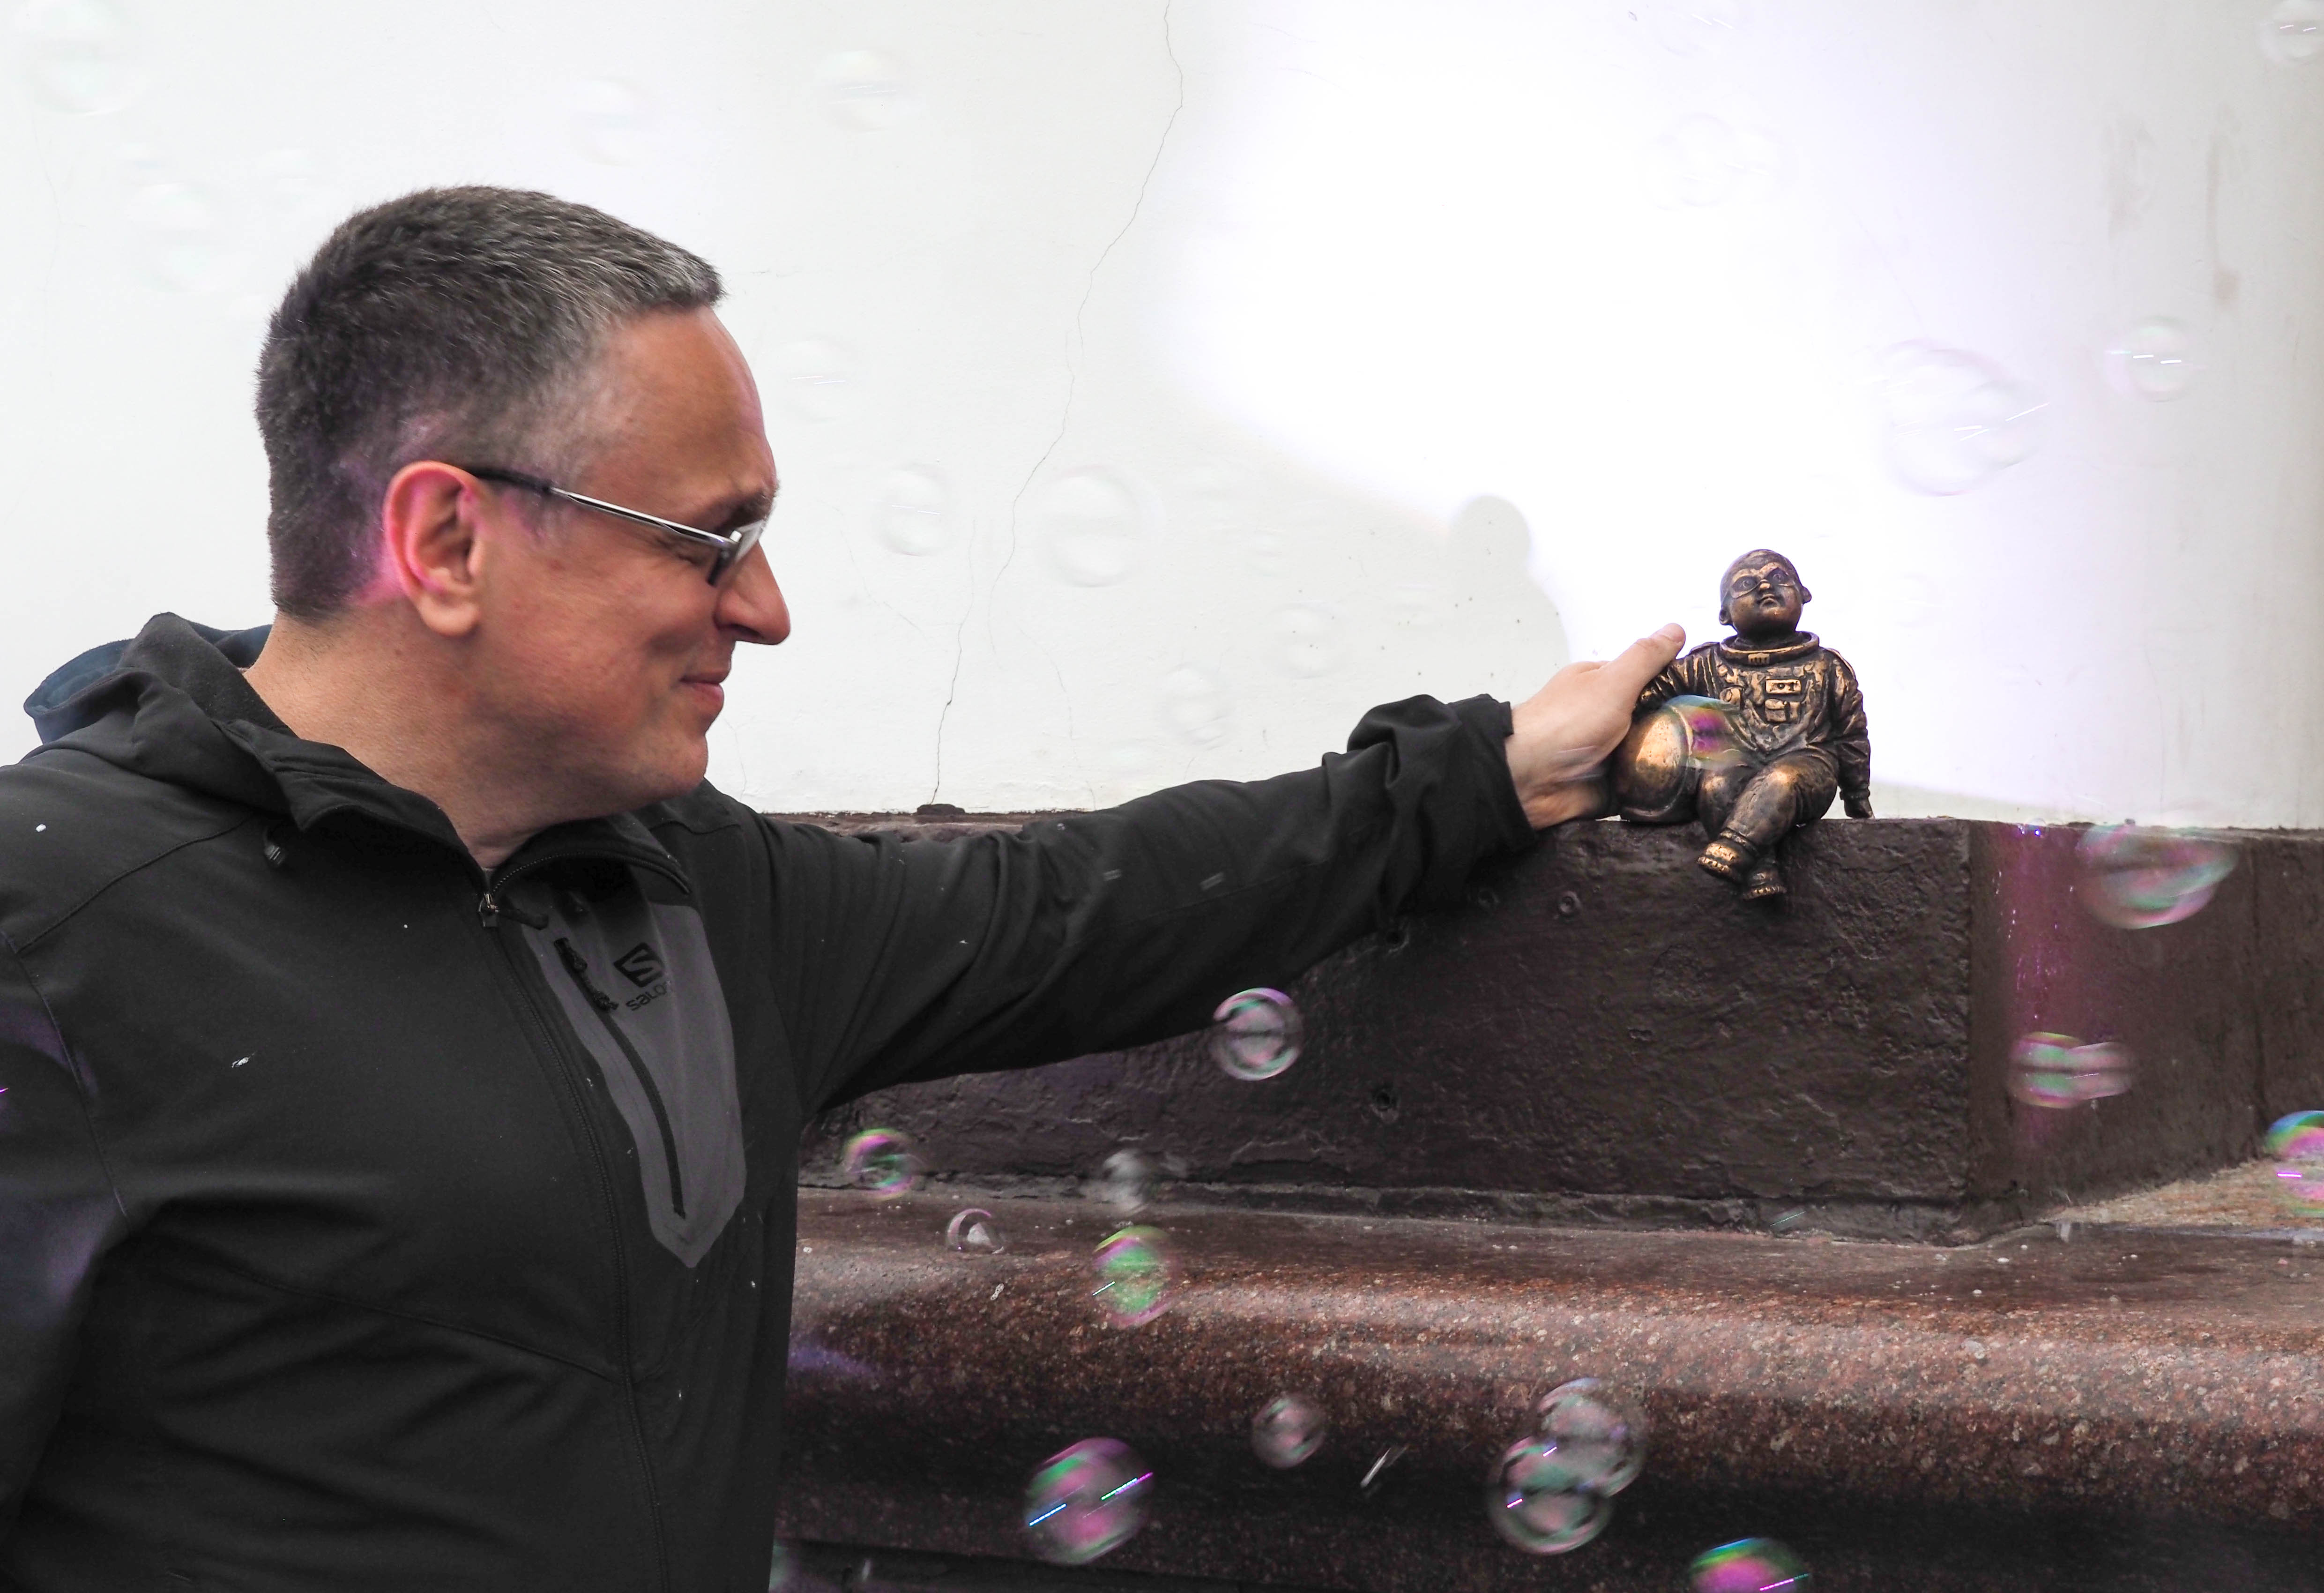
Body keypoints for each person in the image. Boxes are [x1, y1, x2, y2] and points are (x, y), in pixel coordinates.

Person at [0, 187, 1683, 1592]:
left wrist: (1485, 776)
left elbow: (1077, 907)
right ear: (446, 542)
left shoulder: (692, 890)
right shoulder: (55, 925)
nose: (766, 608)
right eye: (708, 538)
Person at [1637, 547, 1870, 901]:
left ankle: (1734, 850)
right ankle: (1760, 871)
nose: (1764, 587)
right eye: (1746, 584)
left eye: (1778, 578)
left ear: (1804, 594)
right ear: (1725, 614)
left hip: (1810, 767)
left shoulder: (1828, 667)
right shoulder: (1704, 666)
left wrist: (1856, 795)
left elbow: (1852, 734)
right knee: (1716, 783)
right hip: (1735, 763)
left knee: (1782, 779)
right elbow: (1646, 696)